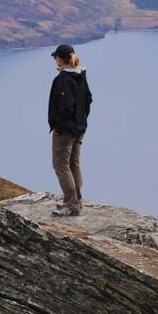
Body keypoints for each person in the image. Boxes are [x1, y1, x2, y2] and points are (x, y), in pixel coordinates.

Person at [48, 44, 92, 216]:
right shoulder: (81, 75)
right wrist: (81, 120)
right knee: (73, 163)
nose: (54, 59)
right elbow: (88, 99)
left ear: (60, 58)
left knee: (60, 165)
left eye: (55, 57)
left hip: (65, 131)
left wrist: (58, 125)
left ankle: (71, 205)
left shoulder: (63, 79)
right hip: (79, 128)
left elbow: (65, 106)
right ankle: (77, 201)